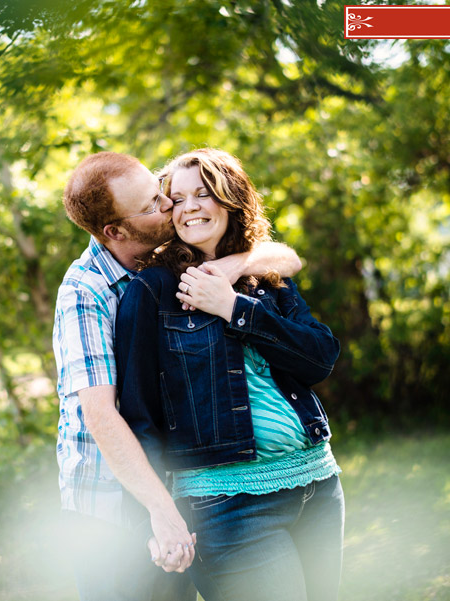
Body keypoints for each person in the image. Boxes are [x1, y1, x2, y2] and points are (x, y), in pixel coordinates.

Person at [54, 151, 303, 601]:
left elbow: (284, 256)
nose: (171, 206)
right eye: (155, 204)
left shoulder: (166, 255)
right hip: (111, 506)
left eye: (160, 191)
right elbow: (100, 416)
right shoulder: (84, 291)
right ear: (115, 231)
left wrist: (236, 264)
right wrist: (161, 511)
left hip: (179, 490)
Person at [115, 148, 344, 601]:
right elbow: (139, 418)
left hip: (317, 485)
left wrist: (235, 308)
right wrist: (154, 519)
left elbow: (320, 359)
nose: (190, 207)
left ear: (231, 199)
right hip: (226, 506)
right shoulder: (154, 291)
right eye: (176, 199)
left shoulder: (265, 276)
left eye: (204, 193)